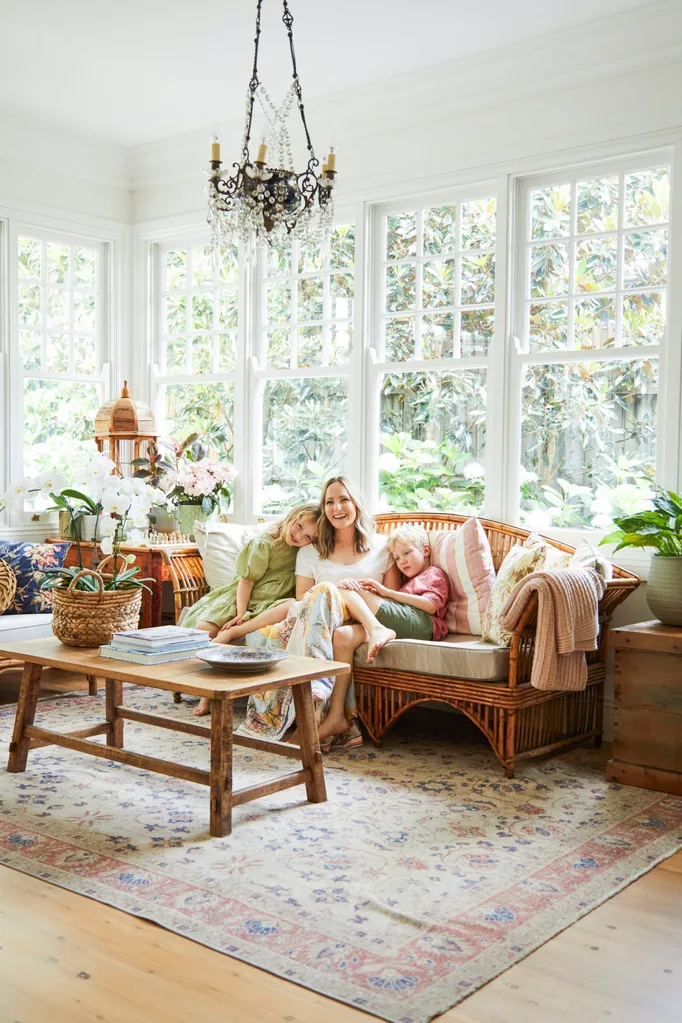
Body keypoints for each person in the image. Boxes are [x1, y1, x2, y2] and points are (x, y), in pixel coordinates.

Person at [239, 476, 403, 747]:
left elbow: (390, 604)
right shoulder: (311, 552)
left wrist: (343, 596)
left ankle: (318, 692)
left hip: (365, 623)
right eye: (330, 502)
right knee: (321, 595)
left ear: (357, 504)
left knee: (326, 593)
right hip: (325, 622)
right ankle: (326, 714)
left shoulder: (382, 547)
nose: (337, 507)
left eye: (344, 500)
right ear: (324, 508)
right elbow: (303, 600)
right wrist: (335, 591)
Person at [181, 502, 320, 715]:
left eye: (309, 536)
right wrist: (240, 612)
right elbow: (246, 581)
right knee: (203, 629)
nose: (299, 536)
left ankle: (207, 695)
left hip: (271, 602)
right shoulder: (264, 543)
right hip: (243, 598)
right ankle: (206, 692)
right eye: (299, 526)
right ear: (293, 516)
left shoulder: (304, 552)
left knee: (291, 605)